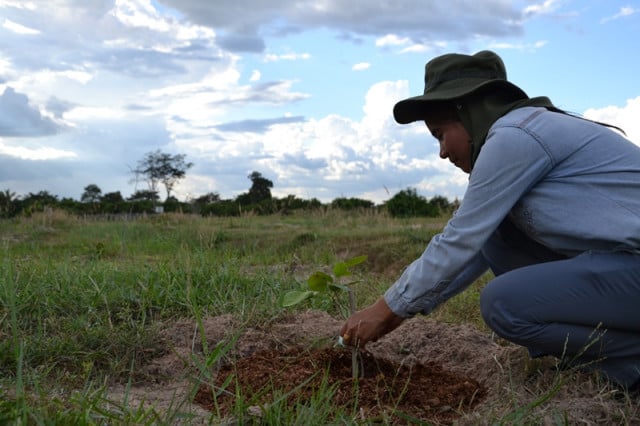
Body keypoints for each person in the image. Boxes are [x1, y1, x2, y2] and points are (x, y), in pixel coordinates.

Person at [340, 50, 640, 391]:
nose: (441, 152)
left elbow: (459, 239)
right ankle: (611, 364)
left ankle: (629, 365)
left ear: (467, 112)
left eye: (440, 134)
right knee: (496, 237)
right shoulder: (526, 130)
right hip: (625, 268)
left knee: (503, 303)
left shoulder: (515, 135)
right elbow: (472, 248)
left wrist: (385, 310)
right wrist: (399, 310)